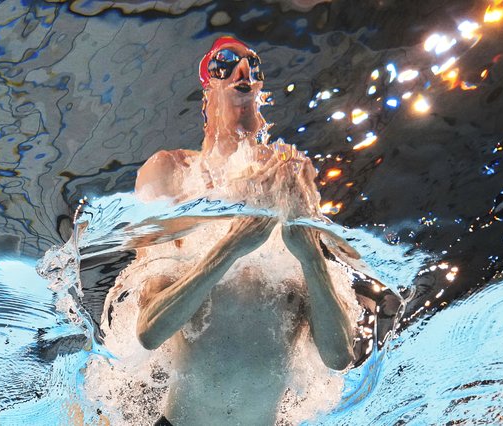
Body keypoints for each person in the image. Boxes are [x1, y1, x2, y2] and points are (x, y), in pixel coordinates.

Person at [101, 36, 360, 425]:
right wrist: (232, 246)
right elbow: (149, 331)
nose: (243, 71)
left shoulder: (290, 176)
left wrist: (311, 257)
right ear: (206, 94)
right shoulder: (173, 174)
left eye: (253, 66)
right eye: (225, 62)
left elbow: (339, 358)